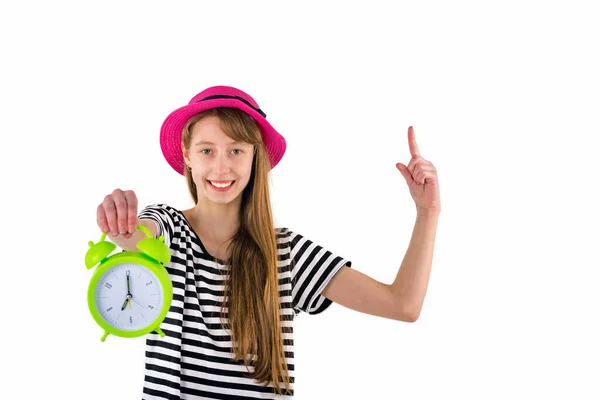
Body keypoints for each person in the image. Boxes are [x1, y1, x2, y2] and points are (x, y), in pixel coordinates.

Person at [96, 85, 441, 399]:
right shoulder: (169, 227)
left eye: (235, 151)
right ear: (187, 155)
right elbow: (140, 238)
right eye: (206, 151)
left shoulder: (285, 254)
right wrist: (121, 225)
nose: (220, 167)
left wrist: (428, 212)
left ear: (254, 157)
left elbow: (403, 305)